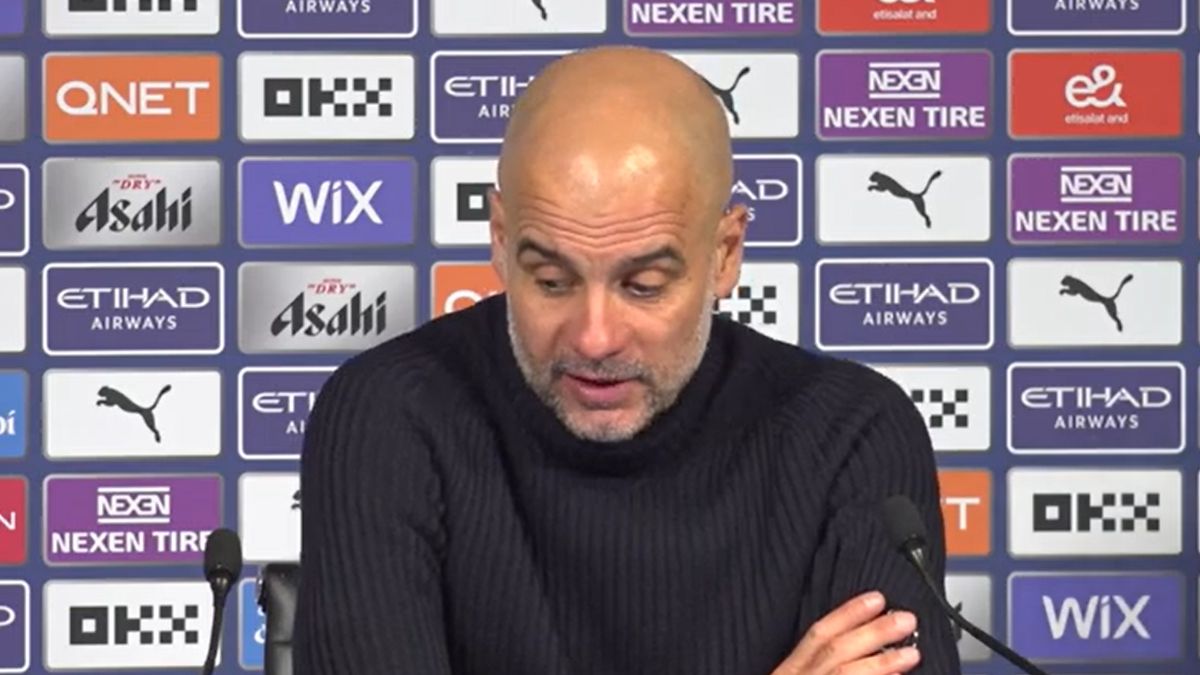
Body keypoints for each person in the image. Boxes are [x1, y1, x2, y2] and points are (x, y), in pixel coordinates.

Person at [293, 45, 960, 675]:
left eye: (643, 286)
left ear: (725, 254)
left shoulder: (850, 432)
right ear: (499, 238)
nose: (594, 338)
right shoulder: (389, 414)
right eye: (551, 280)